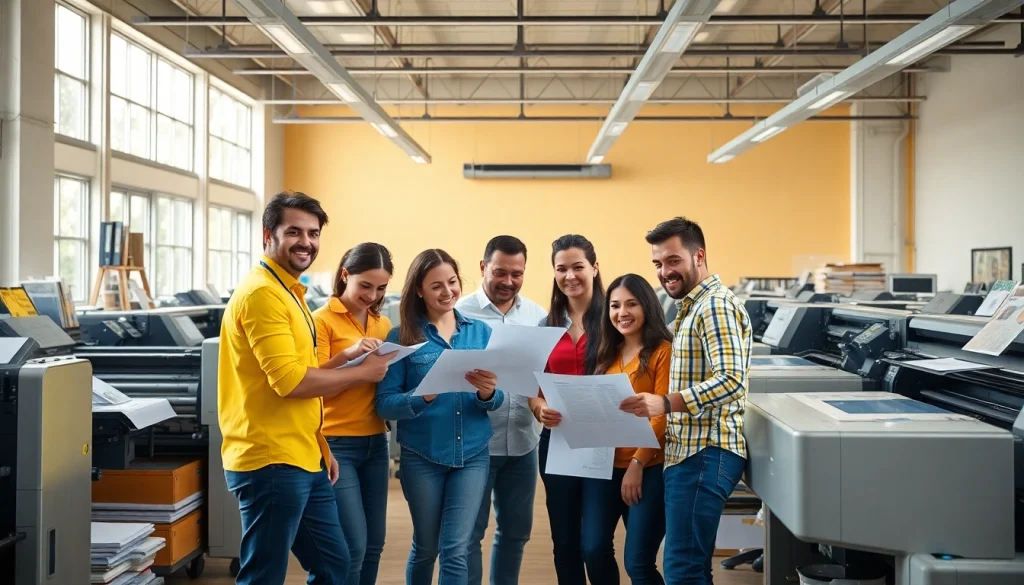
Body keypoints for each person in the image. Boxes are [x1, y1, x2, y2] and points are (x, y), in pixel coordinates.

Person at [218, 191, 394, 585]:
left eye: (313, 233)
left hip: (303, 455)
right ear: (268, 235)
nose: (306, 242)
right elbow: (292, 382)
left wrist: (320, 445)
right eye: (294, 231)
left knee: (335, 565)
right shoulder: (263, 294)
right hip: (271, 459)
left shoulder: (289, 293)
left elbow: (305, 374)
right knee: (264, 574)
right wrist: (361, 373)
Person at [620, 217, 753, 585]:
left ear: (699, 256)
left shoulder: (714, 306)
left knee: (683, 569)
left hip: (704, 451)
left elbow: (731, 380)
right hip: (690, 452)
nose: (665, 271)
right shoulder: (691, 308)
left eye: (673, 260)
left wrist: (664, 403)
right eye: (658, 263)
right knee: (689, 566)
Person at [375, 248, 506, 585]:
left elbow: (498, 397)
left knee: (455, 548)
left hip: (473, 455)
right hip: (422, 457)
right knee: (426, 547)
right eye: (436, 286)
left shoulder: (481, 333)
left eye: (452, 282)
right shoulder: (401, 337)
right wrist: (423, 396)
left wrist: (488, 394)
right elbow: (385, 405)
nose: (448, 291)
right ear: (419, 290)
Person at [456, 235, 548, 585]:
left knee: (516, 532)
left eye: (517, 273)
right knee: (469, 535)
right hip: (475, 444)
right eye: (500, 272)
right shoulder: (459, 313)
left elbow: (544, 375)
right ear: (483, 267)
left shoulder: (538, 316)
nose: (508, 281)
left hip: (524, 442)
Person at [312, 242, 396, 585]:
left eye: (381, 288)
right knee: (353, 547)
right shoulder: (321, 320)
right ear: (345, 275)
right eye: (365, 285)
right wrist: (348, 357)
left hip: (376, 443)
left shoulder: (383, 323)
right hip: (336, 443)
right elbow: (312, 385)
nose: (372, 296)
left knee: (375, 545)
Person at [528, 234, 607, 585]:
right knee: (565, 542)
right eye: (561, 269)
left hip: (604, 443)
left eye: (578, 267)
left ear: (594, 268)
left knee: (596, 546)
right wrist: (540, 408)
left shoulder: (614, 320)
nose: (570, 276)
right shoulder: (545, 327)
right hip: (557, 444)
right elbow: (533, 391)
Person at [588, 274, 672, 585]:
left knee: (638, 563)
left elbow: (662, 414)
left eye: (631, 304)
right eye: (615, 306)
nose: (622, 312)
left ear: (647, 306)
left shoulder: (663, 351)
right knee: (593, 550)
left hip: (648, 468)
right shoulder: (606, 352)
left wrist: (637, 463)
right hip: (604, 468)